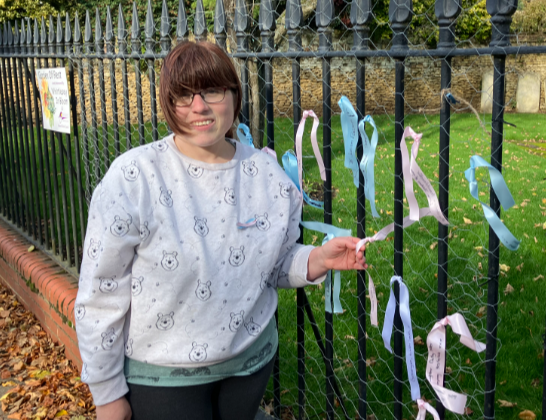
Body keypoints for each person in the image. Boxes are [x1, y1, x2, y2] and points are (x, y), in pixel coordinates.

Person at [74, 41, 367, 420]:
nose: (199, 106)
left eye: (212, 90)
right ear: (168, 103)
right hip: (164, 379)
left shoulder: (268, 178)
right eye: (183, 95)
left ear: (233, 95)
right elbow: (101, 292)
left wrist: (315, 259)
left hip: (248, 366)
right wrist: (107, 392)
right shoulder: (133, 179)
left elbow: (275, 263)